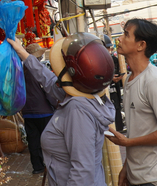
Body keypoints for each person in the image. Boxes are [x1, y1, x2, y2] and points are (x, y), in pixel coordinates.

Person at [8, 34, 115, 186]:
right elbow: (49, 81)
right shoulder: (86, 96)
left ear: (72, 73)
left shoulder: (77, 109)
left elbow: (82, 172)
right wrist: (23, 53)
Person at [106, 18, 157, 186]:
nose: (119, 39)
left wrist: (127, 142)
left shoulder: (154, 81)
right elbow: (138, 129)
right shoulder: (130, 80)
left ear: (140, 45)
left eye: (126, 35)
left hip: (156, 180)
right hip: (138, 177)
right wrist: (127, 168)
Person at [23, 43, 58, 174]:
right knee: (48, 140)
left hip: (27, 111)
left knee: (33, 141)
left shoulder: (22, 71)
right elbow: (49, 92)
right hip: (43, 111)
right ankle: (50, 165)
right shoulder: (38, 71)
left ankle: (37, 166)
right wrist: (55, 104)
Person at [104, 35, 126, 132]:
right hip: (104, 94)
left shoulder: (114, 60)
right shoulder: (96, 62)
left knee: (116, 110)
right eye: (107, 48)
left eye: (109, 48)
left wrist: (120, 79)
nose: (109, 50)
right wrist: (110, 80)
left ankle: (119, 129)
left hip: (114, 92)